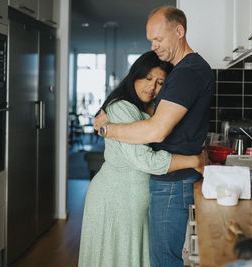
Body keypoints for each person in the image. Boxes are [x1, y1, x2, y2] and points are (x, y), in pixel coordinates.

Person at [94, 6, 215, 267]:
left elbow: (156, 130)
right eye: (151, 40)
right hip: (170, 181)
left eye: (158, 38)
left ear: (179, 31)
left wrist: (106, 129)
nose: (154, 45)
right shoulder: (182, 71)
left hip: (171, 182)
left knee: (163, 260)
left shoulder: (188, 71)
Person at [78, 51, 207, 267]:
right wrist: (194, 161)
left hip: (132, 200)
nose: (152, 87)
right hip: (114, 199)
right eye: (148, 79)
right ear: (135, 75)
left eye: (159, 83)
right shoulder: (121, 108)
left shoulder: (151, 110)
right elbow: (145, 160)